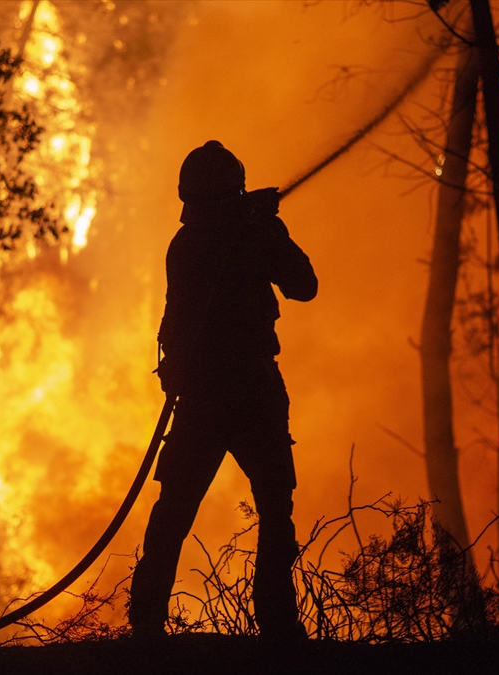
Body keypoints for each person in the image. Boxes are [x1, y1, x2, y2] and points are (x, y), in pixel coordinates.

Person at [128, 140, 318, 640]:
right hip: (251, 388)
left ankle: (145, 628)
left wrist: (259, 223)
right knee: (275, 508)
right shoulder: (251, 234)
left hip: (203, 395)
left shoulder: (185, 244)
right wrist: (268, 227)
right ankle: (278, 627)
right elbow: (303, 284)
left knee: (173, 512)